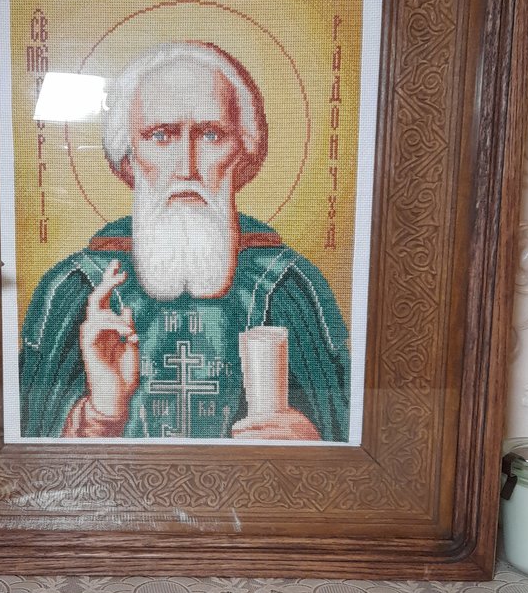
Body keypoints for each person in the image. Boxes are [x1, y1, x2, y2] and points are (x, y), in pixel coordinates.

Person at [19, 41, 350, 441]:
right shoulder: (74, 289)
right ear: (128, 156)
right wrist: (99, 415)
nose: (186, 167)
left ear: (243, 152)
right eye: (161, 136)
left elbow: (347, 431)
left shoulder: (289, 286)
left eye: (211, 135)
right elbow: (27, 447)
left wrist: (308, 441)